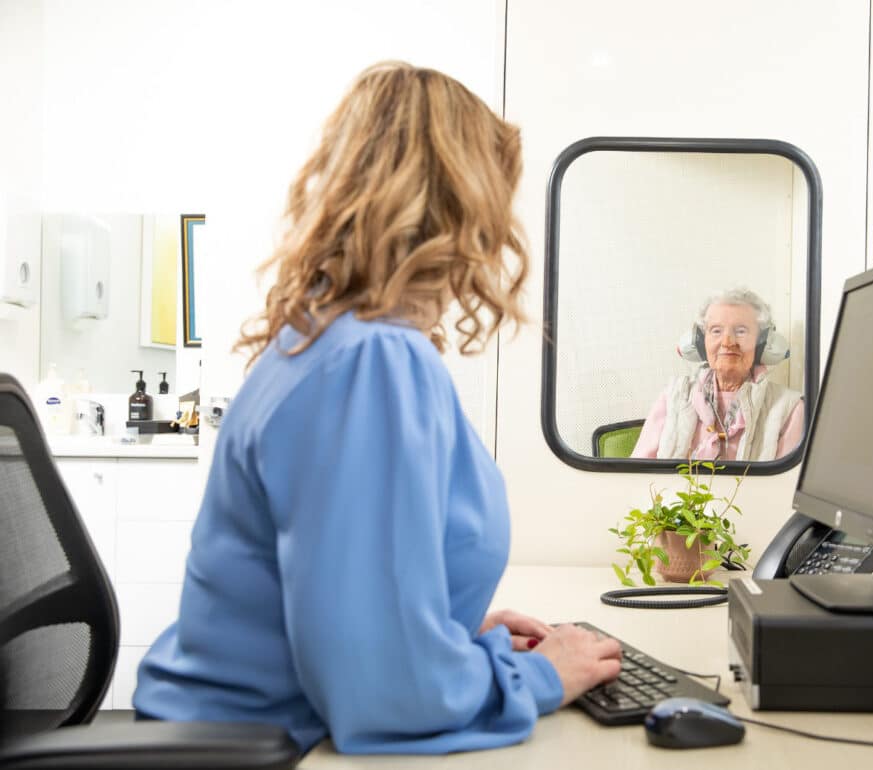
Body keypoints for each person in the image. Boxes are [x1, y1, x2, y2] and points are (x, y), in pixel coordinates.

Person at [133, 62, 621, 755]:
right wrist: (539, 674)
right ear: (465, 207)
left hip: (242, 729)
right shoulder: (372, 361)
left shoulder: (322, 341)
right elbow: (384, 694)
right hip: (264, 753)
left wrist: (449, 634)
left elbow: (342, 596)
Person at [631, 288, 804, 461]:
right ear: (700, 342)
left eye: (741, 331)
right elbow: (637, 471)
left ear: (762, 344)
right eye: (716, 331)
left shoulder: (790, 408)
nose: (727, 342)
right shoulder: (673, 396)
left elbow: (785, 485)